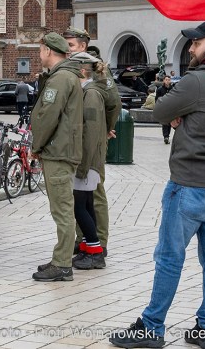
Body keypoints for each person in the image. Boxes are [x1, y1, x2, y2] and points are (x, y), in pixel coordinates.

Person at [110, 21, 205, 349]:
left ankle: (152, 326)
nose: (190, 48)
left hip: (189, 184)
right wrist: (187, 118)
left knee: (170, 256)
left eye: (195, 43)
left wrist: (180, 118)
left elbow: (160, 110)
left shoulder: (198, 80)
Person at [29, 33, 83, 282]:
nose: (40, 54)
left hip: (58, 152)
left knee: (62, 210)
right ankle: (60, 259)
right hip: (61, 150)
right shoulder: (64, 76)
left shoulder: (60, 78)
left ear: (48, 51)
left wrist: (36, 145)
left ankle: (62, 264)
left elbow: (47, 116)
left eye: (41, 50)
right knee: (61, 209)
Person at [68, 31, 121, 255]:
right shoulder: (70, 66)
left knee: (94, 192)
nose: (67, 48)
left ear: (82, 46)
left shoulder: (96, 68)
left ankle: (100, 241)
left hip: (92, 140)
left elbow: (114, 102)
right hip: (78, 138)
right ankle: (84, 239)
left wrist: (104, 127)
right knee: (79, 194)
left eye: (70, 45)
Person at [70, 52, 107, 271]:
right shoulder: (88, 92)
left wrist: (82, 166)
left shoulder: (91, 94)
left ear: (82, 70)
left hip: (88, 160)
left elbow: (91, 132)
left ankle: (95, 252)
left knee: (79, 205)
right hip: (89, 159)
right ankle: (88, 248)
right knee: (86, 204)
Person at [156, 74, 173, 145]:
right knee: (165, 123)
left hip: (171, 108)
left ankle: (167, 135)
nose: (168, 81)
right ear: (164, 80)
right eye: (166, 80)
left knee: (169, 123)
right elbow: (157, 99)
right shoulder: (160, 89)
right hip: (163, 108)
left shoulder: (172, 89)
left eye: (169, 80)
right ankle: (166, 136)